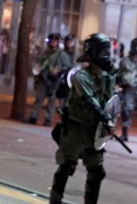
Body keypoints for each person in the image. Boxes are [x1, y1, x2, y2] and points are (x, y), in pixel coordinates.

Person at [49, 33, 115, 204]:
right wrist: (105, 118)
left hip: (94, 131)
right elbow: (90, 100)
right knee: (66, 167)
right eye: (103, 52)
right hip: (77, 129)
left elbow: (110, 103)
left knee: (97, 172)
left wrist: (108, 122)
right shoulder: (81, 76)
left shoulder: (107, 78)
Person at [26, 33, 70, 126]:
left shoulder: (61, 54)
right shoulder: (45, 53)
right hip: (43, 79)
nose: (53, 42)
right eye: (52, 40)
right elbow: (38, 65)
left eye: (55, 40)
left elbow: (68, 66)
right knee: (39, 98)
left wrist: (58, 71)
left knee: (52, 101)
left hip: (54, 81)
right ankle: (34, 117)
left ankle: (48, 119)